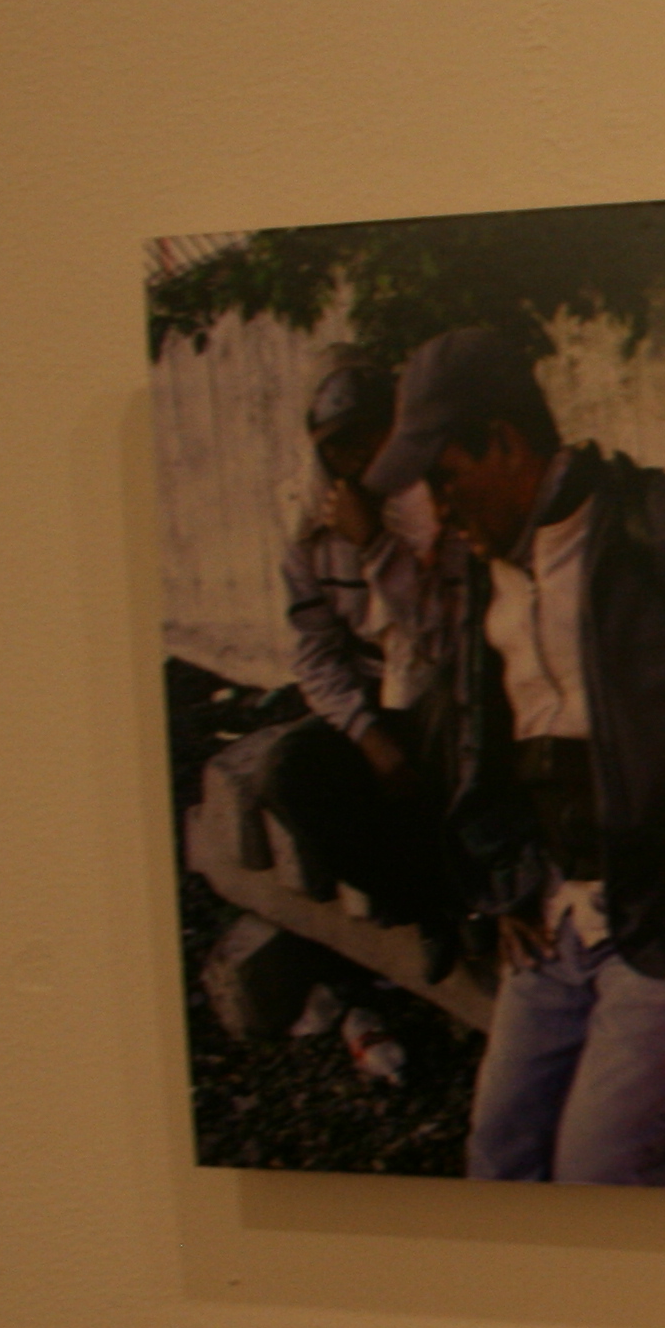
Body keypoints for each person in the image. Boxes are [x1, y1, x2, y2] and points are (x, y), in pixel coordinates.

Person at [365, 327, 665, 1185]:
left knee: (600, 1179)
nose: (440, 511)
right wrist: (507, 873)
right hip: (556, 914)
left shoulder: (661, 527)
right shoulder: (486, 566)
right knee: (499, 1159)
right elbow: (480, 732)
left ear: (505, 442)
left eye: (446, 478)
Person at [260, 352, 458, 971]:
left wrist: (375, 542)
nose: (357, 457)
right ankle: (430, 903)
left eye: (370, 437)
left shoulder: (435, 497)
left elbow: (442, 636)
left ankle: (477, 893)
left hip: (445, 690)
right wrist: (367, 734)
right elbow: (315, 651)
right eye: (339, 445)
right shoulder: (307, 528)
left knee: (449, 744)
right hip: (375, 700)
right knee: (288, 773)